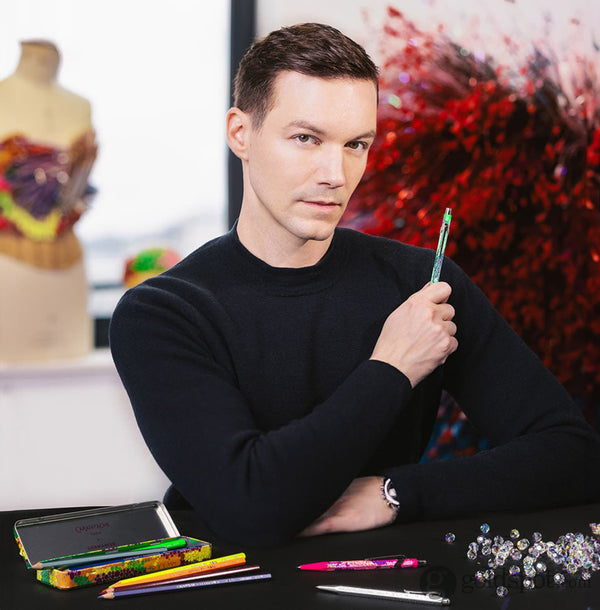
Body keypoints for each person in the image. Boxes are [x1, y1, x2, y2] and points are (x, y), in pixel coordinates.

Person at [110, 23, 600, 547]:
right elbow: (248, 506)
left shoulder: (421, 284)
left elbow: (574, 455)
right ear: (240, 134)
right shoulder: (162, 313)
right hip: (236, 580)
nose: (335, 174)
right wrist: (392, 367)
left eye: (355, 144)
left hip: (390, 577)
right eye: (306, 138)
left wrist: (396, 493)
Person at [0, 40, 97, 362]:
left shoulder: (80, 105)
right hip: (8, 262)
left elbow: (77, 192)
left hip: (68, 260)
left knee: (71, 367)